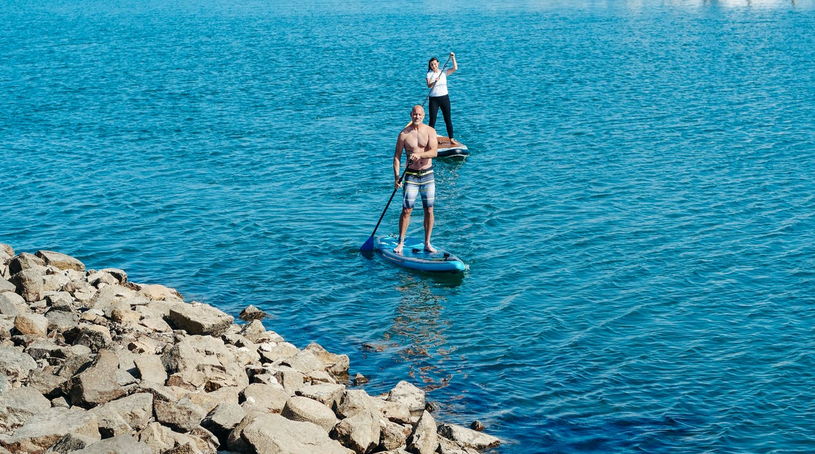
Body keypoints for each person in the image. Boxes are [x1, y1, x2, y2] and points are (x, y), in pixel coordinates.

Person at [393, 105, 439, 254]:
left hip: (427, 174)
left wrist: (420, 155)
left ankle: (427, 242)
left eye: (419, 114)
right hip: (411, 175)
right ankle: (400, 242)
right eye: (414, 114)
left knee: (429, 209)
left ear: (424, 115)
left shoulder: (430, 131)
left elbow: (434, 152)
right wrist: (397, 177)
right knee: (407, 210)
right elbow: (397, 157)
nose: (417, 117)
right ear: (410, 115)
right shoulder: (404, 134)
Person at [426, 52, 458, 145]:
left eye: (435, 64)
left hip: (444, 98)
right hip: (434, 100)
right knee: (432, 120)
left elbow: (455, 68)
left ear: (438, 64)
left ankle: (451, 138)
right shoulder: (429, 74)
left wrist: (453, 58)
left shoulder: (443, 72)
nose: (433, 66)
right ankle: (430, 140)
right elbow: (428, 85)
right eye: (431, 65)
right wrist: (434, 82)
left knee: (447, 119)